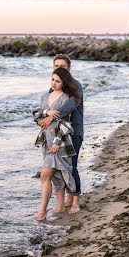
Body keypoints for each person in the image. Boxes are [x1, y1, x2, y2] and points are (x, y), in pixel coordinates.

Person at [33, 67, 81, 221]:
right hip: (46, 142)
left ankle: (42, 212)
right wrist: (46, 113)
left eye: (58, 81)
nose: (54, 83)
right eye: (52, 79)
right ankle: (60, 206)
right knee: (56, 176)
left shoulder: (66, 99)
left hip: (59, 144)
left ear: (63, 83)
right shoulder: (45, 96)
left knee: (44, 175)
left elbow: (66, 125)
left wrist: (57, 142)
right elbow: (36, 115)